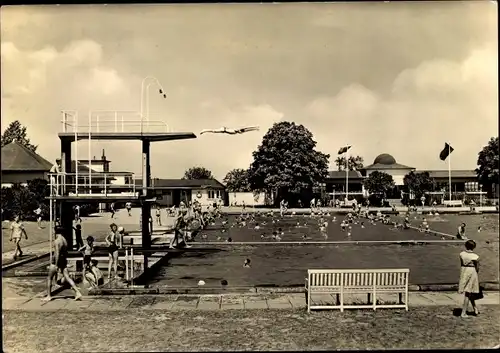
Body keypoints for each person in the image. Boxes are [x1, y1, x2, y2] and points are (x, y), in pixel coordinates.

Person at [43, 226, 82, 301]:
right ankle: (77, 292)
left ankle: (48, 296)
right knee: (67, 277)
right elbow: (65, 252)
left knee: (49, 278)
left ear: (56, 232)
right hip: (63, 260)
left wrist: (56, 265)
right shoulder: (64, 240)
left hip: (56, 261)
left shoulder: (57, 241)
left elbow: (57, 253)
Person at [458, 240, 481, 317]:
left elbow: (462, 263)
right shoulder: (475, 256)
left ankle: (475, 308)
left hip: (464, 271)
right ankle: (463, 313)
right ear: (474, 247)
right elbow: (477, 268)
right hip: (472, 272)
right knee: (468, 292)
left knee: (469, 291)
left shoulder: (461, 254)